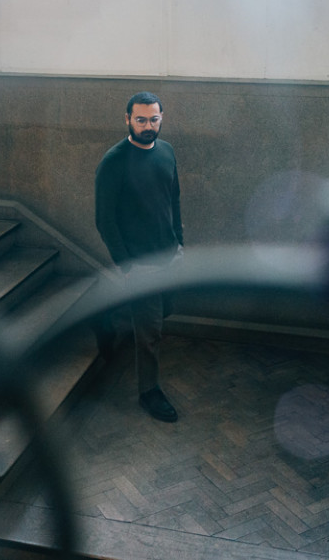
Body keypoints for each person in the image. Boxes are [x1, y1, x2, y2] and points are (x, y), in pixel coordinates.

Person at [95, 91, 184, 422]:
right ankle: (149, 392)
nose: (148, 126)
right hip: (139, 262)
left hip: (168, 254)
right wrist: (126, 264)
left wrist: (180, 243)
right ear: (128, 120)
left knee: (166, 311)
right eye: (141, 119)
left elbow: (173, 201)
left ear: (162, 118)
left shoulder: (167, 152)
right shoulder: (114, 162)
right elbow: (104, 219)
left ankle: (107, 317)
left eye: (154, 119)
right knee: (150, 333)